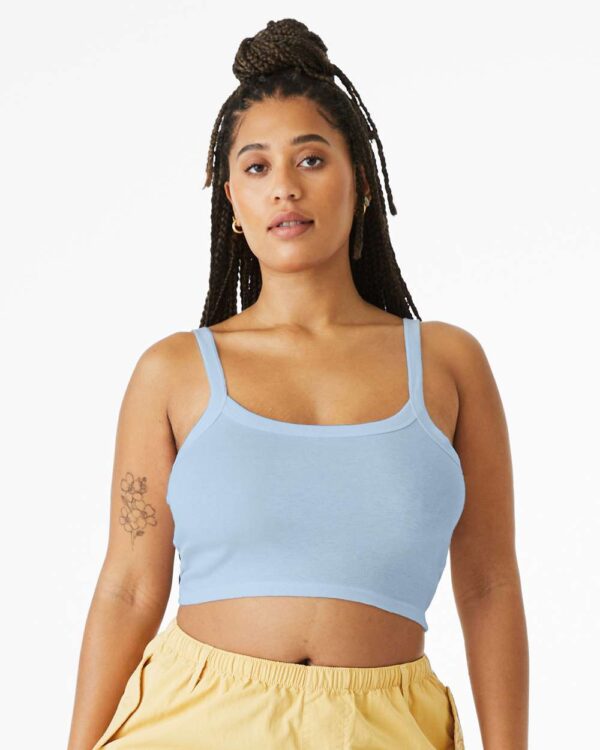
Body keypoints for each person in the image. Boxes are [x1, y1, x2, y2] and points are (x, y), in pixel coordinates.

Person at [67, 18, 529, 750]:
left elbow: (489, 585)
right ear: (231, 198)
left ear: (361, 180)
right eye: (256, 168)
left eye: (311, 159)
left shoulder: (447, 364)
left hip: (385, 727)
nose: (284, 187)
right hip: (193, 721)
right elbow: (128, 587)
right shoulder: (173, 372)